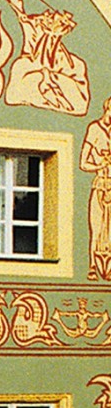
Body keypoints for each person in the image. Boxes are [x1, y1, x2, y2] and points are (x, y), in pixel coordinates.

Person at [83, 98, 111, 280]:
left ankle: (107, 268)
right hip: (100, 184)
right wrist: (100, 164)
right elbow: (83, 163)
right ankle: (92, 266)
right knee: (97, 227)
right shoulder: (94, 129)